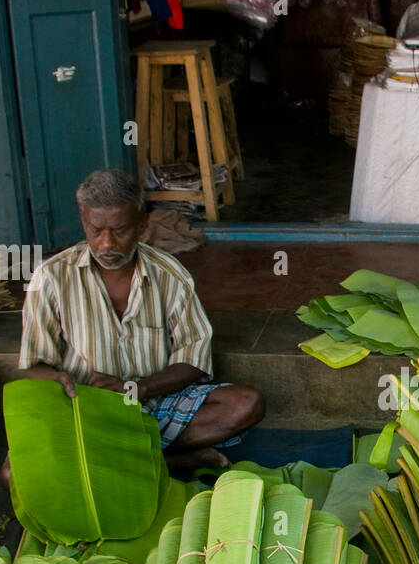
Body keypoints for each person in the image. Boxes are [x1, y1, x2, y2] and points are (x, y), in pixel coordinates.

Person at [14, 169, 263, 474]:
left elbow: (194, 358)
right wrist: (58, 380)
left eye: (119, 231)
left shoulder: (170, 275)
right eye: (96, 231)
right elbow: (33, 364)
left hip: (155, 402)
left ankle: (124, 461)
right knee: (14, 474)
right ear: (83, 221)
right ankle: (163, 461)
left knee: (246, 404)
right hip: (87, 409)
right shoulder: (51, 278)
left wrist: (138, 388)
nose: (106, 244)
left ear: (142, 225)